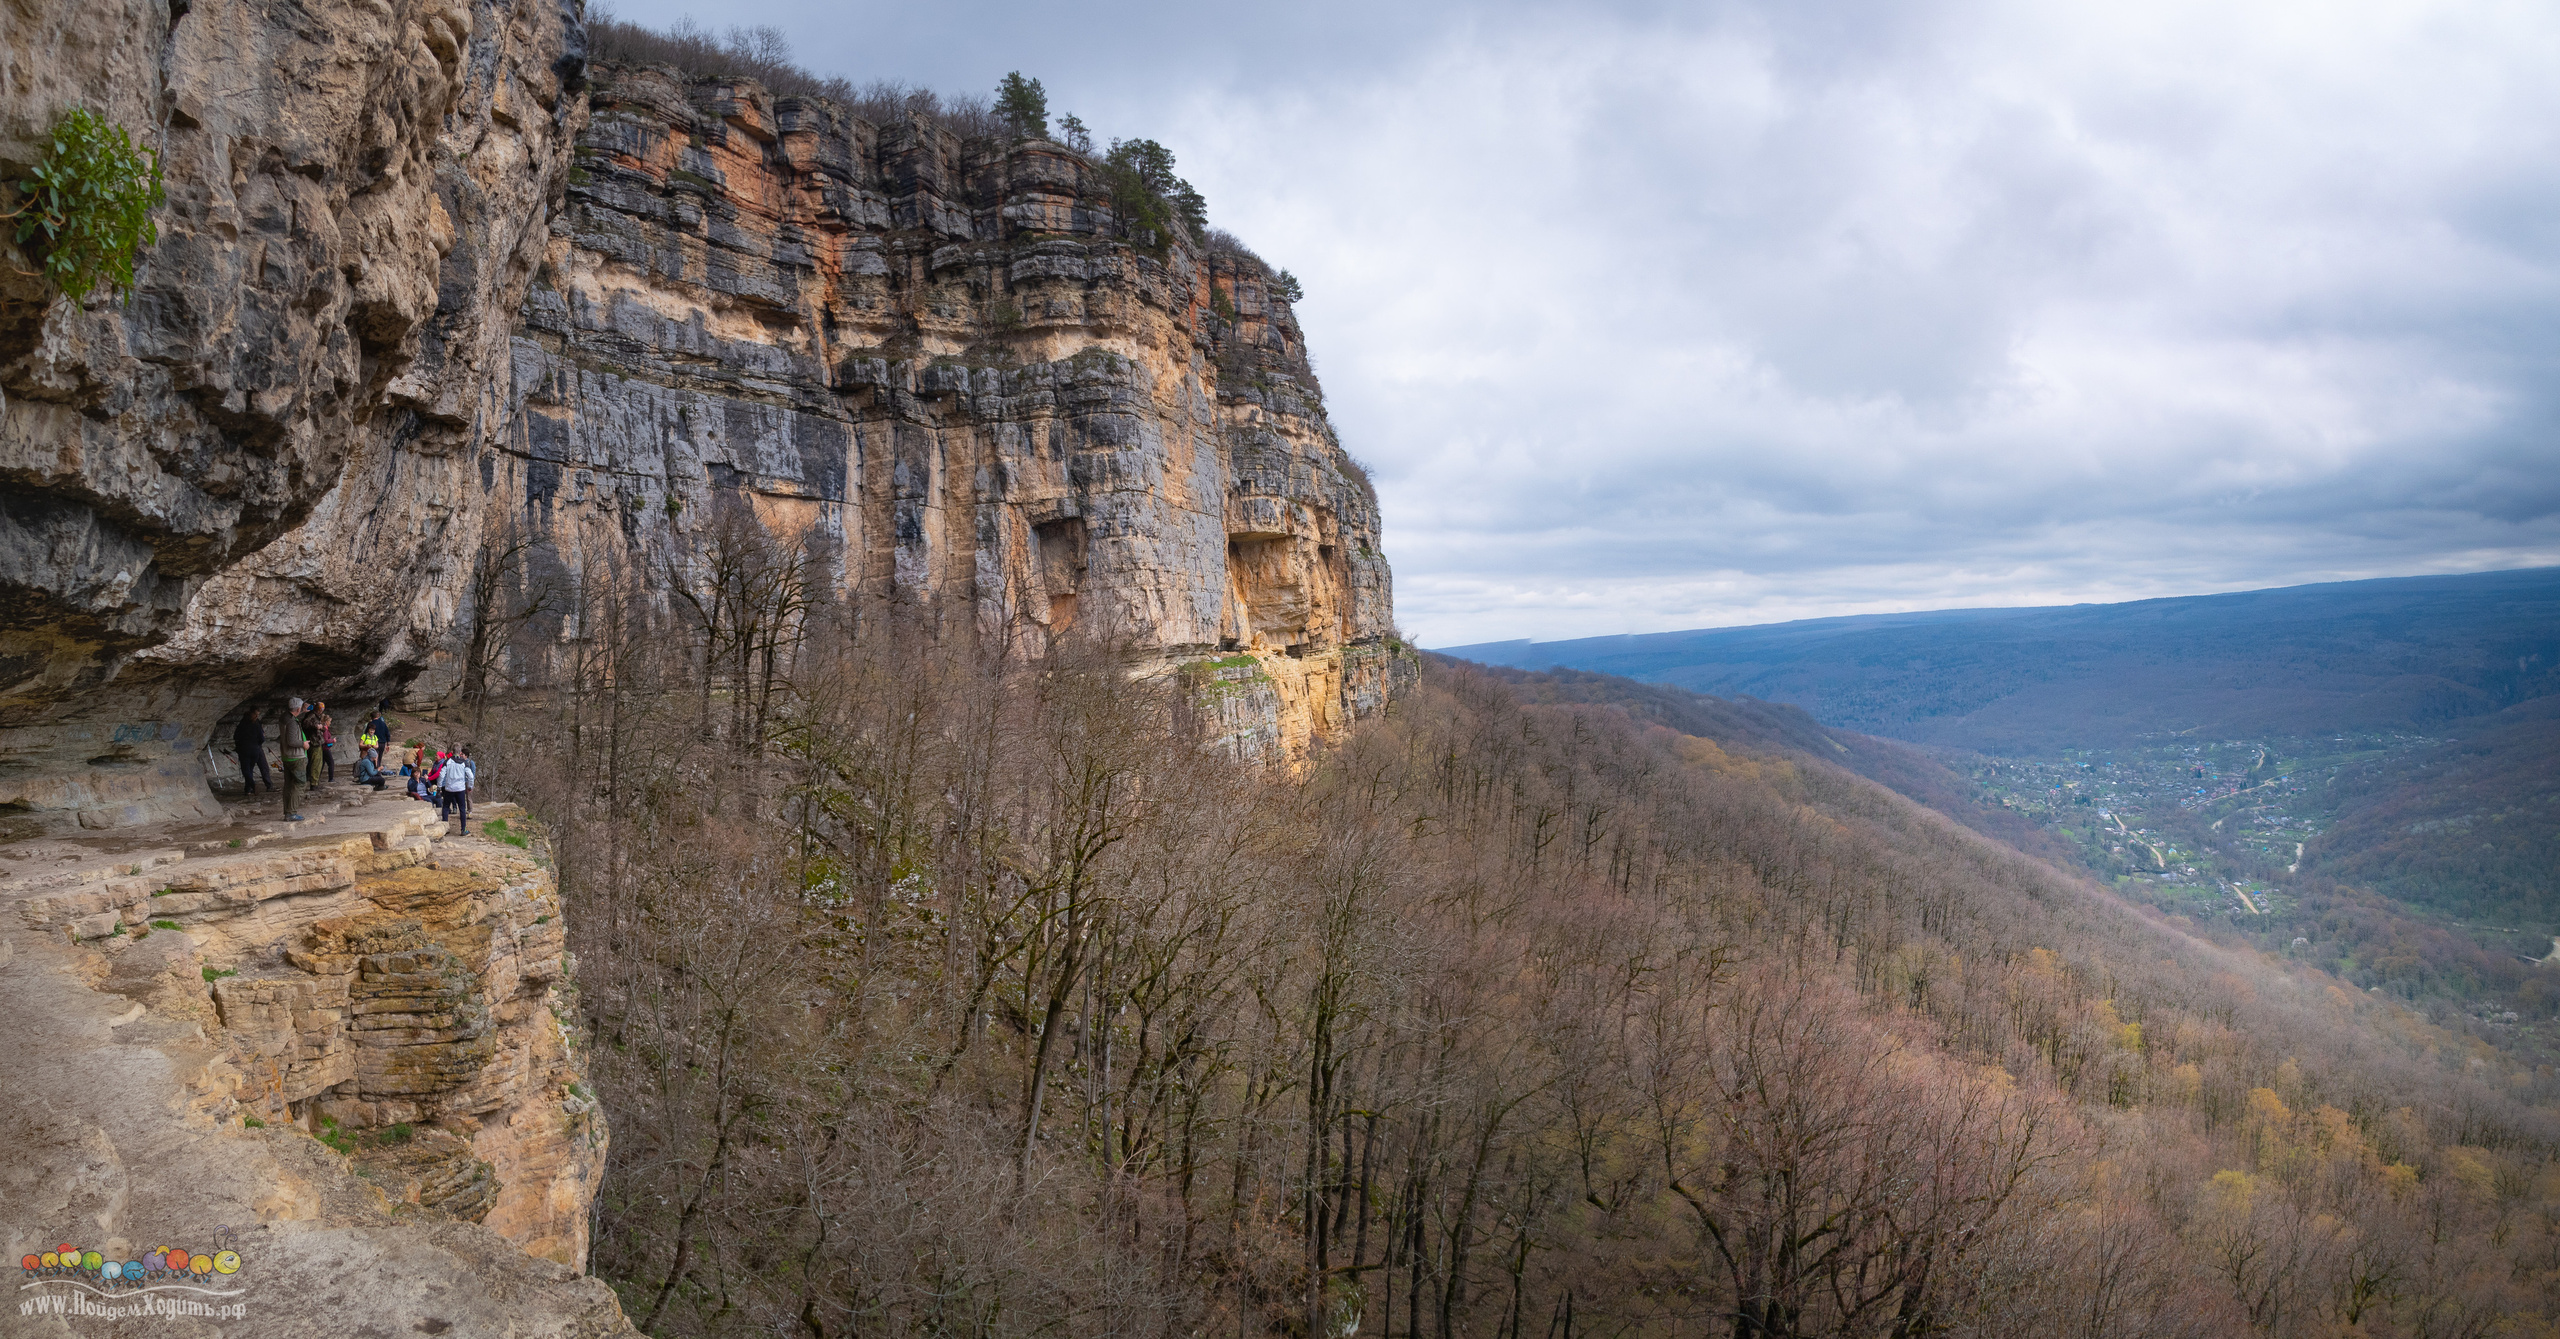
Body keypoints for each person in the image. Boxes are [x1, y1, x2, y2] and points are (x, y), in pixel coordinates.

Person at [278, 697, 309, 822]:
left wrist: (302, 710)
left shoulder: (284, 718)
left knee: (289, 784)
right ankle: (291, 813)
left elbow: (293, 714)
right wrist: (304, 744)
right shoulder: (291, 722)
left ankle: (288, 811)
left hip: (287, 756)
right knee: (300, 783)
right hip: (296, 757)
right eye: (300, 708)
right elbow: (292, 741)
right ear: (297, 708)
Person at [232, 707, 272, 795]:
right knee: (251, 768)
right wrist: (257, 744)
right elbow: (262, 738)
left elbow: (235, 737)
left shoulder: (241, 725)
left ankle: (252, 785)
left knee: (246, 770)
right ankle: (249, 788)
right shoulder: (257, 724)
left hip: (244, 750)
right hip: (255, 750)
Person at [439, 748, 476, 831]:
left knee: (445, 807)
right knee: (462, 809)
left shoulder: (447, 761)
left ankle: (445, 828)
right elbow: (470, 776)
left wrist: (439, 786)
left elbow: (441, 775)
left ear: (452, 752)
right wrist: (470, 786)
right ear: (460, 753)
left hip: (449, 788)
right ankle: (463, 829)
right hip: (460, 788)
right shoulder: (464, 762)